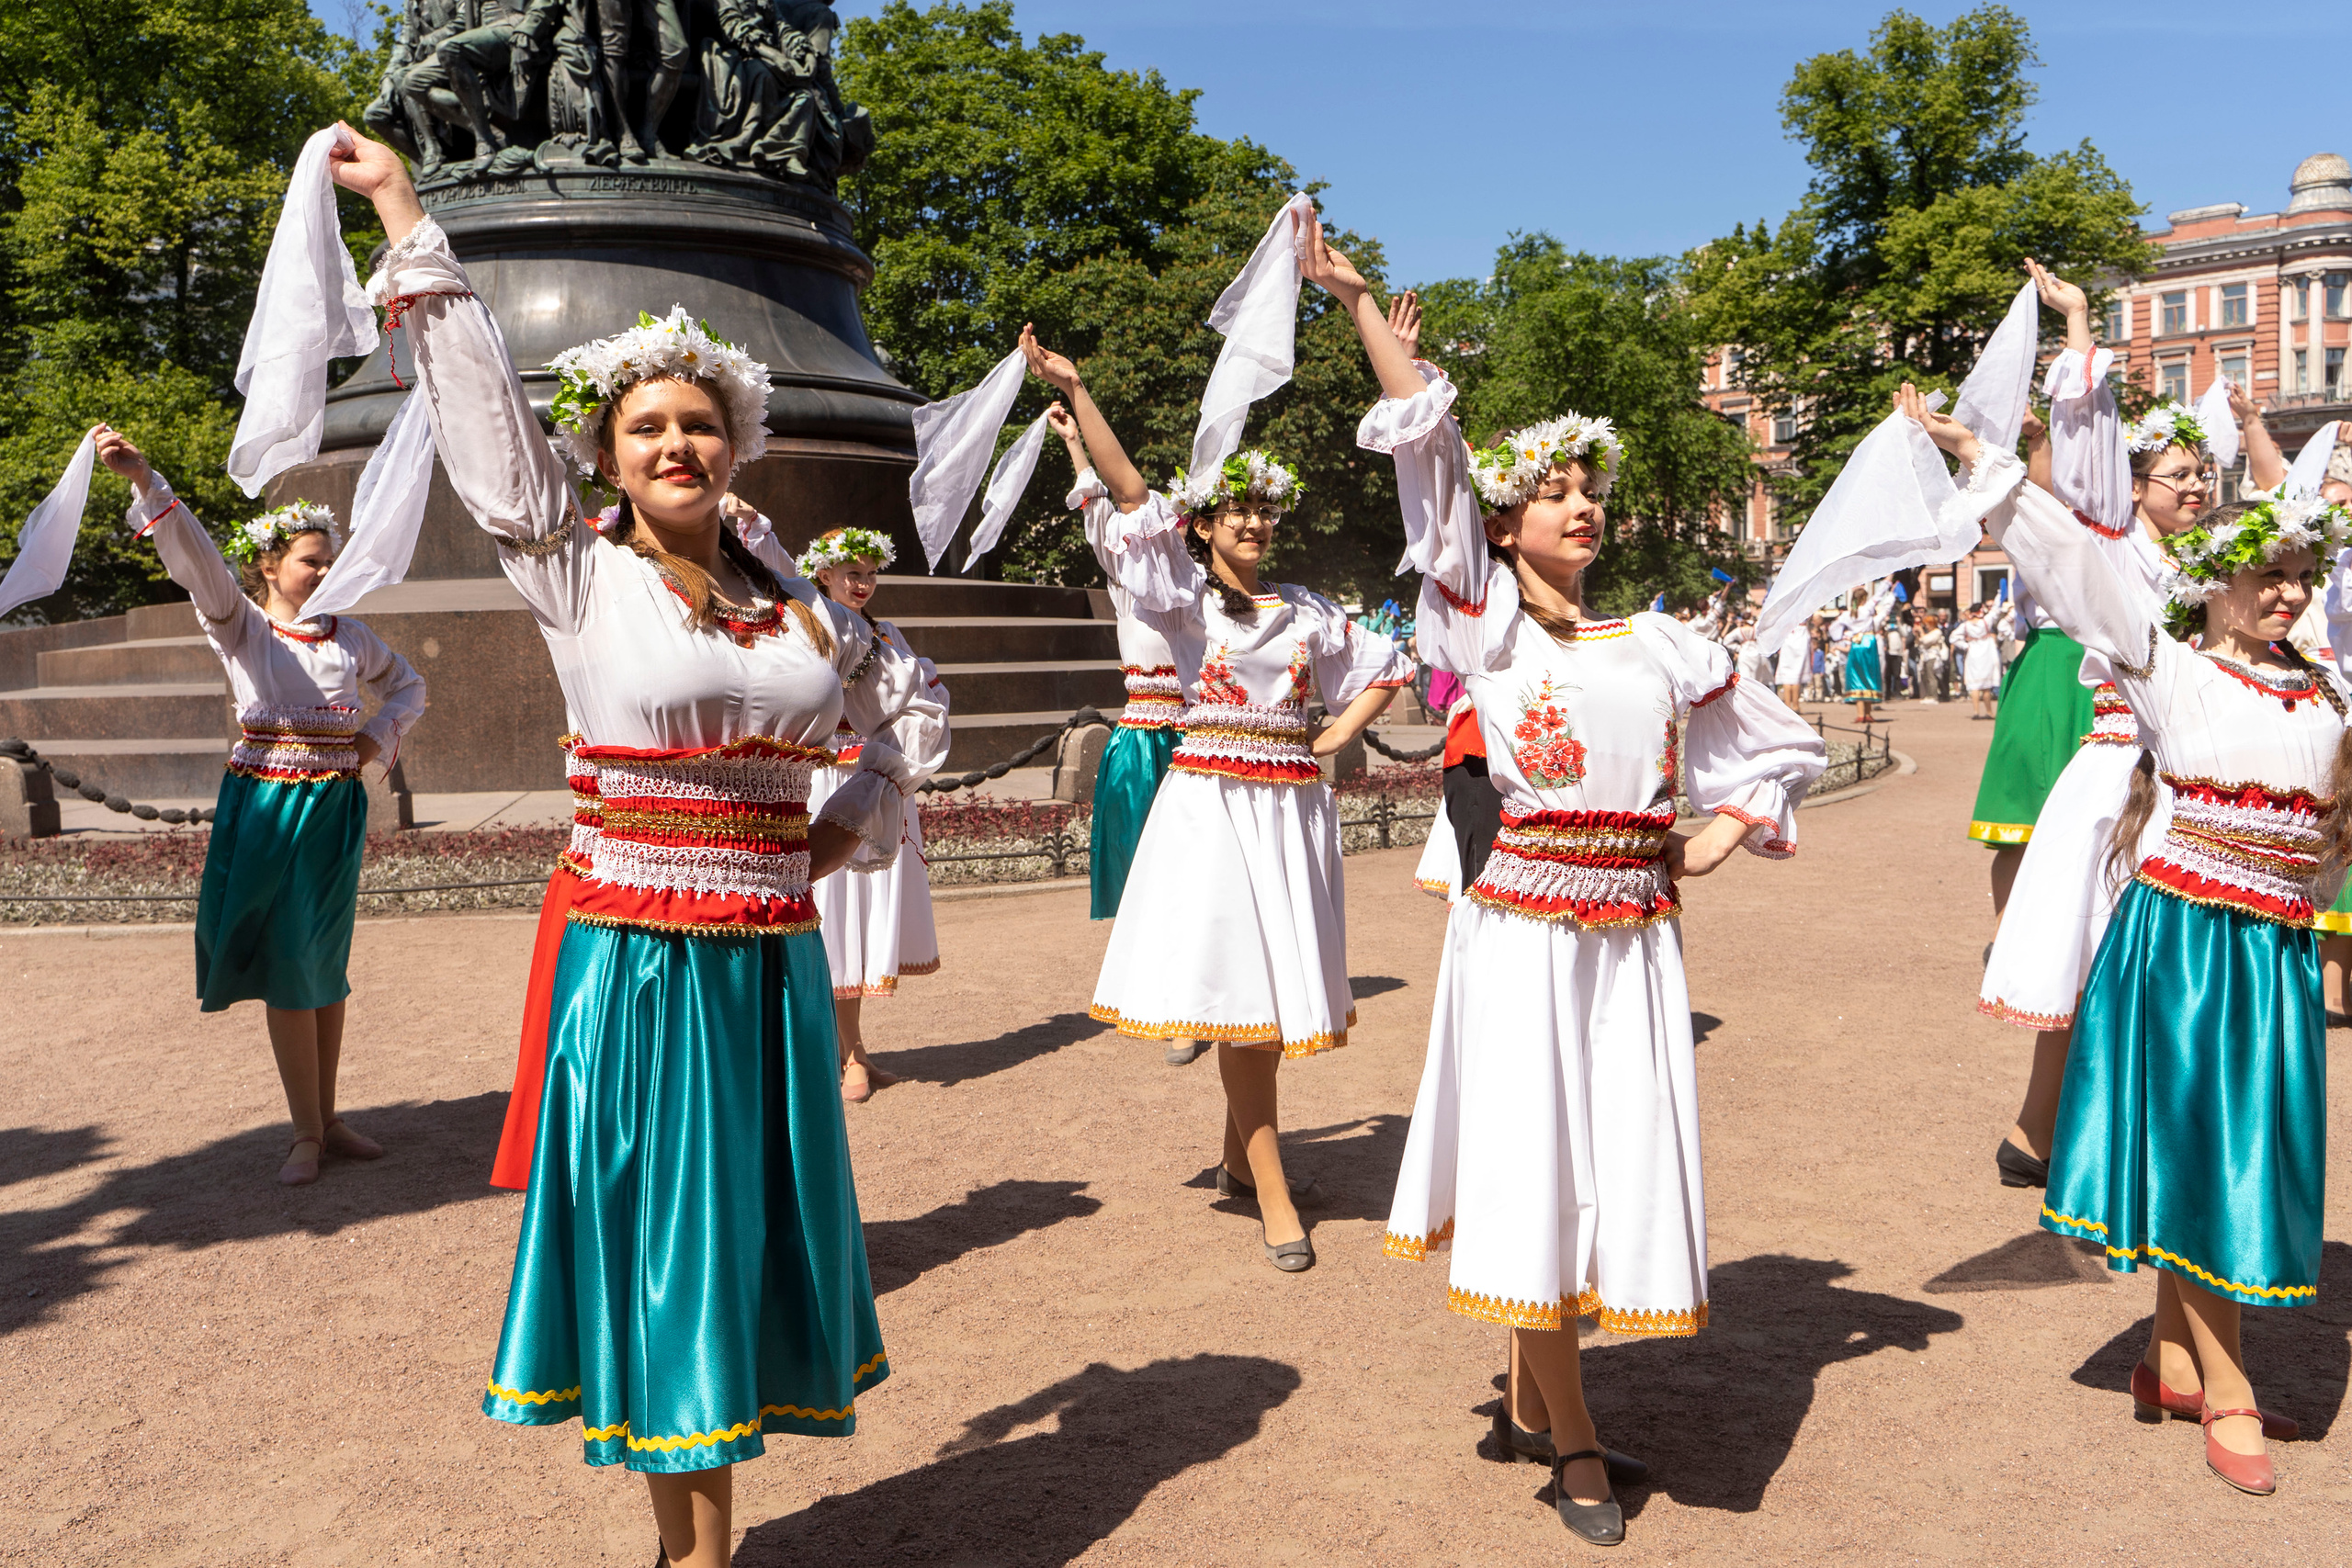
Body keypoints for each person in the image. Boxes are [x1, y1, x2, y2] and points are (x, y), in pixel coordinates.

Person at [331, 127, 946, 1568]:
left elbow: (906, 699)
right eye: (647, 428)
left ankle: (700, 1542)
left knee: (737, 1247)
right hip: (643, 967)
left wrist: (845, 827)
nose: (679, 446)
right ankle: (696, 1550)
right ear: (605, 451)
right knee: (669, 1244)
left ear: (739, 442)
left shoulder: (800, 610)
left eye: (701, 424)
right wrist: (412, 216)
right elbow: (483, 418)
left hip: (771, 976)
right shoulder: (576, 569)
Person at [1317, 220, 1826, 1548]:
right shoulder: (1480, 618)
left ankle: (1533, 1391)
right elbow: (1425, 454)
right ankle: (1578, 1432)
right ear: (1507, 518)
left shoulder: (1660, 638)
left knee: (1611, 1162)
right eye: (1553, 489)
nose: (1580, 504)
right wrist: (1367, 309)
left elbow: (1780, 743)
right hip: (1526, 934)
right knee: (1536, 1165)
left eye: (1591, 488)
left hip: (1637, 940)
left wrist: (1716, 835)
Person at [1909, 382, 2344, 1497]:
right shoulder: (2171, 664)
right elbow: (2072, 564)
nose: (2287, 594)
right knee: (2211, 1154)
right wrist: (1993, 465)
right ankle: (2230, 1388)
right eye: (2267, 575)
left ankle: (2166, 1363)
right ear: (2220, 583)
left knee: (2254, 1151)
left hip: (2275, 952)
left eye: (2302, 575)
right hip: (2188, 947)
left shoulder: (2328, 690)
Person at [1017, 318, 1411, 1275]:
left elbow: (1389, 665)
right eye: (1234, 511)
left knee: (1270, 998)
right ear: (1203, 525)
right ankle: (1269, 1190)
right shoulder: (1181, 600)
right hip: (1212, 810)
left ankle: (1242, 1160)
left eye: (1264, 512)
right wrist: (1076, 391)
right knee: (1245, 997)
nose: (1252, 523)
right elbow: (1128, 492)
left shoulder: (1312, 607)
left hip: (1291, 811)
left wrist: (1334, 733)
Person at [1981, 261, 2289, 1190]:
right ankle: (2045, 1130)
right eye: (2177, 474)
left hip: (2190, 780)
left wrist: (2249, 428)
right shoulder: (2109, 549)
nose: (2196, 488)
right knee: (2098, 963)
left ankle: (2083, 1136)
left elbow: (2291, 514)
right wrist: (2075, 325)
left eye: (2202, 473)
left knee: (2153, 972)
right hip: (2121, 772)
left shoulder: (2221, 559)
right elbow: (2076, 450)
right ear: (2134, 484)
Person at [93, 428, 426, 1188]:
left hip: (335, 808)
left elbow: (411, 686)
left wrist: (374, 741)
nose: (326, 570)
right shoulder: (239, 622)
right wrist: (145, 477)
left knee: (323, 960)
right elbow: (199, 562)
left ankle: (330, 1119)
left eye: (330, 559)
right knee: (286, 962)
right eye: (312, 559)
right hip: (267, 806)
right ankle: (305, 1130)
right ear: (269, 565)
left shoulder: (353, 637)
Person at [796, 525, 948, 1102]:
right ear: (824, 574)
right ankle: (844, 1053)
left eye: (870, 573)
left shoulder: (886, 633)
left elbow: (913, 697)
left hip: (875, 779)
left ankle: (851, 1049)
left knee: (856, 913)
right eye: (851, 573)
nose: (863, 583)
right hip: (829, 781)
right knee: (834, 913)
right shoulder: (813, 628)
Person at [1042, 401, 1186, 928]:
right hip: (1145, 740)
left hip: (1200, 736)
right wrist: (1073, 442)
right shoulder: (1129, 582)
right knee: (1138, 862)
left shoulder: (1206, 591)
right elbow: (1103, 507)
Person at [1835, 581, 1892, 724]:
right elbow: (1879, 595)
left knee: (1857, 676)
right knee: (1870, 676)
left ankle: (1862, 713)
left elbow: (1835, 628)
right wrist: (1889, 580)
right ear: (1864, 599)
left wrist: (1844, 637)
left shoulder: (1848, 614)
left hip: (1856, 644)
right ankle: (1867, 712)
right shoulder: (1867, 608)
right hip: (1869, 642)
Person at [1954, 602, 2005, 717]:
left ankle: (1976, 712)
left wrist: (1965, 645)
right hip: (1986, 653)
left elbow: (1953, 637)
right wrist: (2000, 594)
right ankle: (1989, 712)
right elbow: (1995, 610)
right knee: (1986, 687)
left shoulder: (1966, 625)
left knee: (1975, 685)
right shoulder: (1985, 622)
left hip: (1973, 653)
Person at [1915, 610, 1950, 703]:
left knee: (1932, 677)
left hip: (1933, 656)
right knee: (1925, 677)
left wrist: (1921, 632)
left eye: (1926, 624)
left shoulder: (1937, 632)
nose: (1925, 626)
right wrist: (1917, 635)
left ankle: (1934, 696)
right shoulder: (1928, 632)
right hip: (1925, 656)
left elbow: (1926, 641)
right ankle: (1928, 695)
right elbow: (1920, 642)